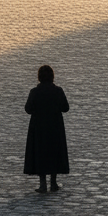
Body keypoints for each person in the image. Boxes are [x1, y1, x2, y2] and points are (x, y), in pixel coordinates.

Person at [24, 64, 70, 193]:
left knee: (40, 153)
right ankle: (53, 183)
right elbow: (65, 108)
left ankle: (43, 183)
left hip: (38, 128)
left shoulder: (35, 92)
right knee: (54, 153)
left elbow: (28, 109)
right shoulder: (58, 91)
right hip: (55, 127)